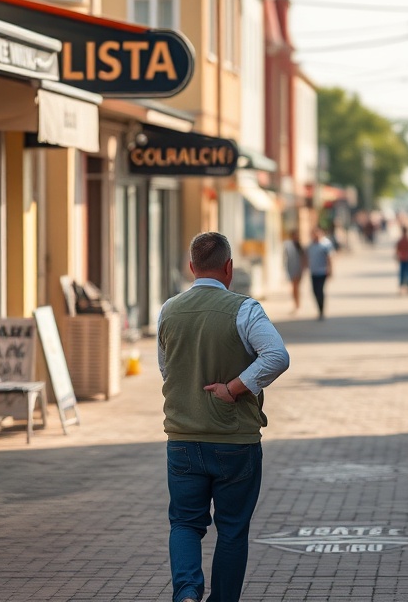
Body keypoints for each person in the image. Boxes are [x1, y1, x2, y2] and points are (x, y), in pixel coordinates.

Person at [157, 232, 290, 602]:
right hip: (235, 441)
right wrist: (234, 388)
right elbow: (276, 356)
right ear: (229, 268)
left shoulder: (169, 309)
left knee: (185, 523)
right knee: (231, 531)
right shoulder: (245, 309)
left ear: (191, 268)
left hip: (182, 438)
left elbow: (167, 370)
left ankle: (186, 593)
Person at [306, 226, 334, 320]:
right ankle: (319, 309)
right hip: (314, 271)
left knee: (320, 291)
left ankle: (321, 311)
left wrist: (330, 270)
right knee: (314, 291)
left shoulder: (326, 244)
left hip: (322, 271)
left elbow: (330, 258)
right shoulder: (311, 245)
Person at [282, 229, 307, 314]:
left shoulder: (299, 246)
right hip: (291, 268)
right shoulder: (288, 245)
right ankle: (296, 304)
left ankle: (297, 304)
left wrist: (304, 268)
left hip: (299, 269)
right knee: (294, 287)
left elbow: (304, 257)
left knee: (297, 287)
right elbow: (285, 257)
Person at [395, 225, 408, 295]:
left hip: (402, 258)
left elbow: (397, 250)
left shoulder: (400, 240)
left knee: (402, 273)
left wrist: (396, 256)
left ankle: (401, 288)